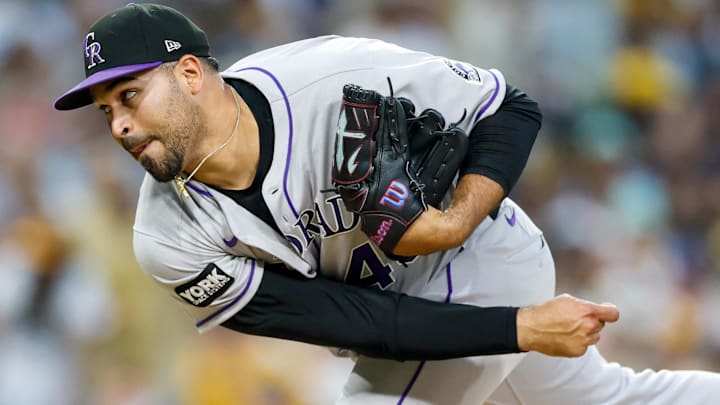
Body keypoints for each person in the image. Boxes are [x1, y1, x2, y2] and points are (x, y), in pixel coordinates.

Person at [54, 3, 720, 404]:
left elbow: (512, 109)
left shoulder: (329, 76)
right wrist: (522, 328)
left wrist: (453, 218)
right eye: (106, 110)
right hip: (413, 315)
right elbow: (356, 322)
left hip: (480, 260)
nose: (118, 125)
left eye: (131, 96)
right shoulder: (166, 237)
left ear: (192, 74)